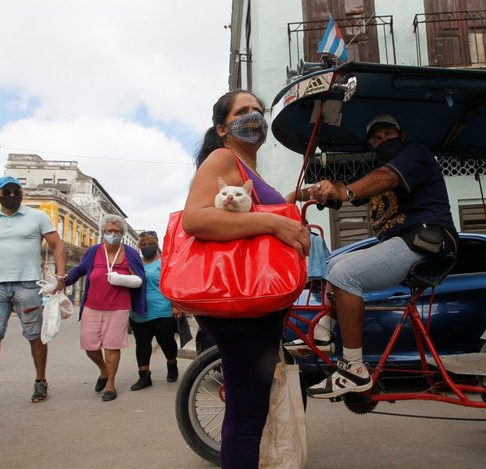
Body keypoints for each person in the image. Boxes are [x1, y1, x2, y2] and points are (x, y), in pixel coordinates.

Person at [182, 89, 310, 469]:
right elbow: (197, 218)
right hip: (238, 303)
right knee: (246, 413)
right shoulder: (223, 158)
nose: (253, 116)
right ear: (223, 128)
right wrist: (274, 221)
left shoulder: (246, 169)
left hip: (253, 302)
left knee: (248, 407)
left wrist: (289, 204)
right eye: (242, 111)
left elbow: (248, 221)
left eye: (257, 110)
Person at [300, 114, 458, 399]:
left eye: (387, 134)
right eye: (375, 138)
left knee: (344, 276)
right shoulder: (376, 172)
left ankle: (353, 369)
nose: (381, 140)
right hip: (404, 242)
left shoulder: (415, 155)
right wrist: (307, 192)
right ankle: (323, 336)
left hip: (426, 240)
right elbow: (346, 187)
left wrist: (345, 191)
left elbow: (383, 179)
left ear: (402, 134)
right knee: (330, 265)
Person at [0, 176, 67, 418]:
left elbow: (57, 245)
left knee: (35, 337)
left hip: (28, 286)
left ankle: (40, 379)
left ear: (21, 193)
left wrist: (60, 278)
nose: (11, 195)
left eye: (15, 191)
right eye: (6, 191)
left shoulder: (37, 217)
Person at [61, 214, 146, 402]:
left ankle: (111, 385)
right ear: (103, 232)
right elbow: (79, 270)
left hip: (118, 308)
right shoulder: (93, 251)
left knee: (112, 346)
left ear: (122, 234)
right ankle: (103, 371)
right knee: (89, 346)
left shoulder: (130, 253)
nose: (112, 234)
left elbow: (140, 279)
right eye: (109, 231)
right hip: (92, 306)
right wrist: (64, 281)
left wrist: (123, 278)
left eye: (116, 231)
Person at [128, 230, 185, 391]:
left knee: (166, 342)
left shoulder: (165, 262)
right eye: (143, 245)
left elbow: (174, 283)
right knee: (142, 344)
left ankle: (172, 364)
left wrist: (176, 305)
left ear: (157, 245)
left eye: (150, 244)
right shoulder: (136, 264)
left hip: (163, 311)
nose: (147, 247)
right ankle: (144, 376)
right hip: (139, 312)